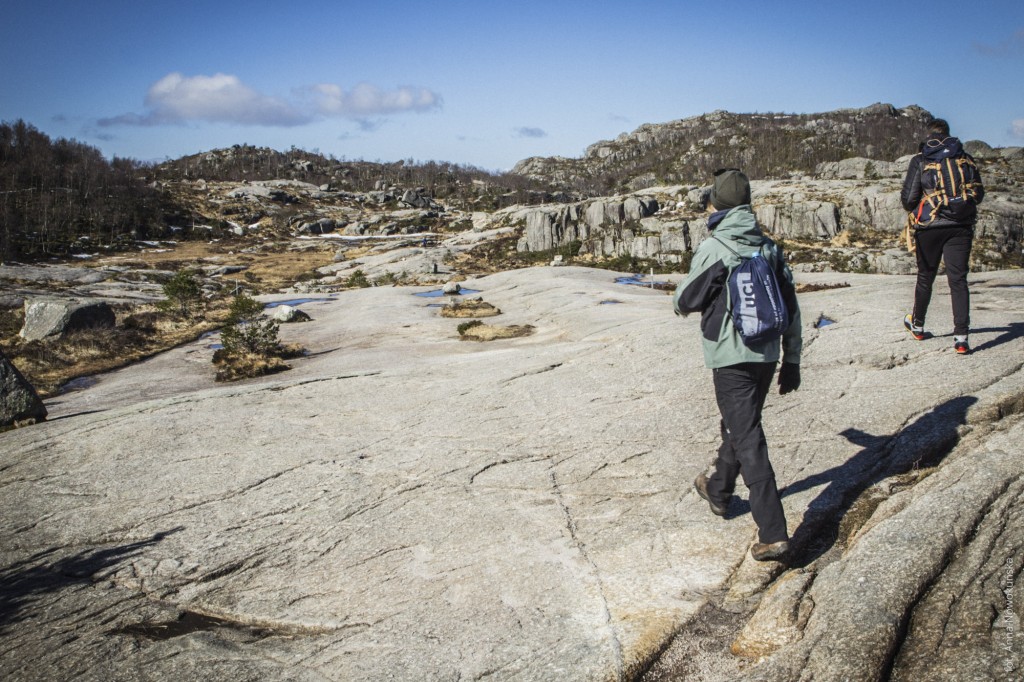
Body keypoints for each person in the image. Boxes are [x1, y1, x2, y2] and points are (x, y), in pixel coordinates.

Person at [673, 168, 802, 562]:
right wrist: (792, 359)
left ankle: (773, 531)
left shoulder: (716, 248)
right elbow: (792, 309)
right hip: (766, 354)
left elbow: (684, 301)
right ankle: (717, 489)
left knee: (748, 438)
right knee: (739, 426)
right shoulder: (768, 248)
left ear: (718, 204)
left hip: (730, 358)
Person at [900, 118, 984, 354]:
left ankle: (917, 325)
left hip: (930, 226)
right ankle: (961, 338)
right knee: (958, 280)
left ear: (929, 136)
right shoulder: (964, 158)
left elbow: (908, 199)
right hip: (960, 225)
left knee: (926, 277)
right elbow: (978, 194)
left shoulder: (921, 160)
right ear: (948, 134)